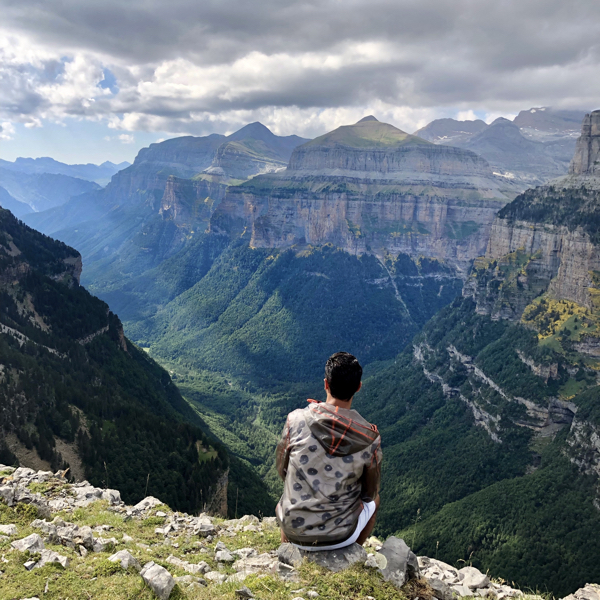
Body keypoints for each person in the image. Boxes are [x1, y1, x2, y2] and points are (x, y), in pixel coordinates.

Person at [275, 351, 382, 551]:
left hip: (293, 530)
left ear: (326, 384)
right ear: (358, 388)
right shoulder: (369, 439)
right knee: (376, 501)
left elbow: (282, 469)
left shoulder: (294, 420)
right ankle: (351, 555)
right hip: (341, 536)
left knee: (288, 493)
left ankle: (287, 553)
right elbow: (369, 494)